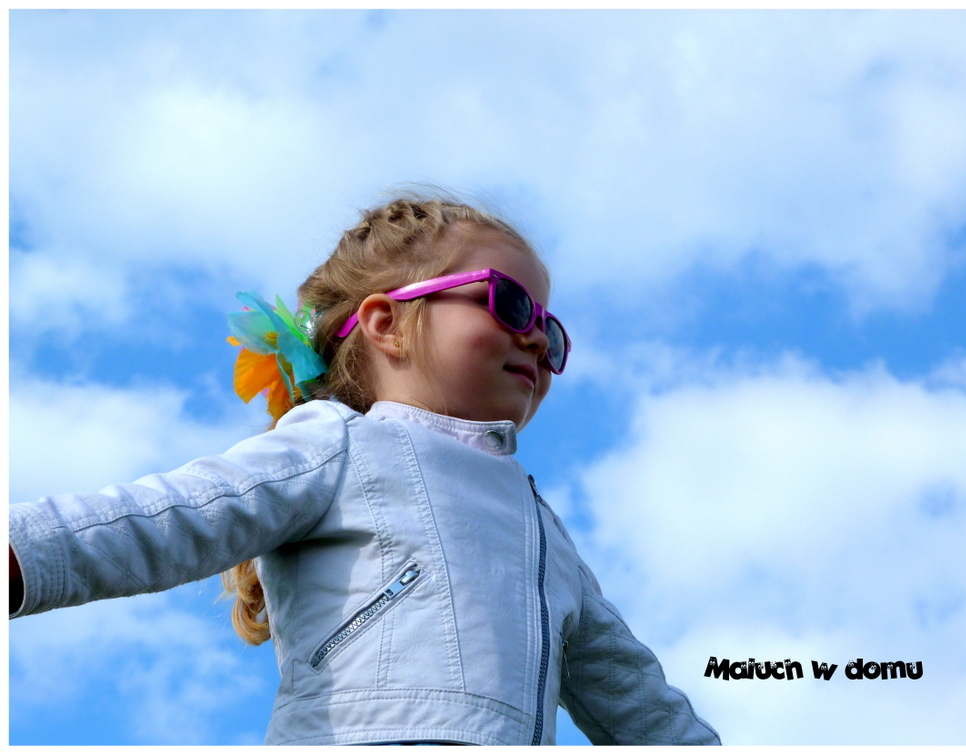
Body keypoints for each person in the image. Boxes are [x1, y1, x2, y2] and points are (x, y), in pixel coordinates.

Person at [9, 196, 721, 746]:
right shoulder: (339, 443)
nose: (537, 336)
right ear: (387, 324)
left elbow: (632, 691)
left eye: (552, 331)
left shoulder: (545, 532)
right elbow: (174, 513)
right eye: (510, 303)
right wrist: (24, 550)